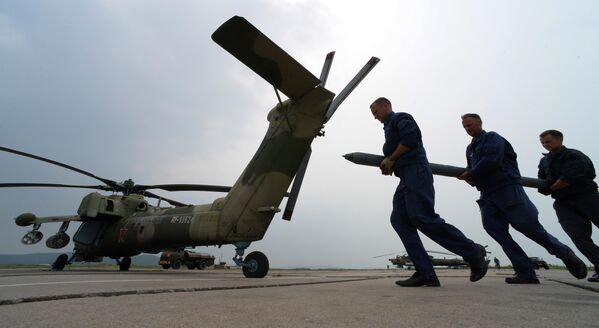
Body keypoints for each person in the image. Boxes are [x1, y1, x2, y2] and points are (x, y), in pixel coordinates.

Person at [370, 97, 488, 287]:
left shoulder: (400, 118)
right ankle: (425, 273)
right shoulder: (388, 126)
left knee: (421, 216)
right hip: (405, 176)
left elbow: (410, 140)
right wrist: (390, 161)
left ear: (386, 106)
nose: (375, 117)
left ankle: (472, 251)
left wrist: (391, 158)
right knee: (399, 220)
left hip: (416, 171)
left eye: (375, 112)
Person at [458, 113, 587, 284]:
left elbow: (492, 160)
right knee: (496, 231)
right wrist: (470, 177)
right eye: (465, 127)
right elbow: (472, 170)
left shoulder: (493, 138)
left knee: (530, 228)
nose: (468, 129)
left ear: (480, 123)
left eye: (470, 125)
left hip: (507, 189)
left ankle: (565, 254)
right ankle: (525, 272)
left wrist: (472, 174)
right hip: (487, 194)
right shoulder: (470, 149)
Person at [538, 129, 599, 283]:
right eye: (543, 143)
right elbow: (542, 182)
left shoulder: (574, 156)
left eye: (548, 141)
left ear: (559, 140)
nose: (545, 145)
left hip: (587, 197)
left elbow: (567, 178)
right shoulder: (545, 161)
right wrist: (549, 187)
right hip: (564, 203)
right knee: (579, 237)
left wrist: (551, 186)